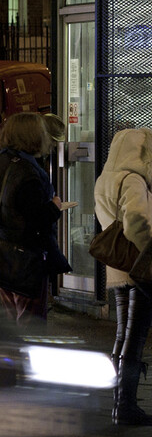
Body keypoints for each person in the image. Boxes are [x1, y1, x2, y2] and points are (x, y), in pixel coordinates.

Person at [94, 127, 152, 426]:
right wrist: (151, 250)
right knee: (135, 337)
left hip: (118, 266)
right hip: (139, 267)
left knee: (123, 334)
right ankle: (126, 405)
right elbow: (136, 220)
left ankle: (118, 402)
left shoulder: (105, 178)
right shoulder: (132, 179)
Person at [0, 113, 67, 326]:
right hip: (25, 261)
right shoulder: (28, 172)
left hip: (3, 255)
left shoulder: (3, 160)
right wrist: (54, 207)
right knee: (30, 325)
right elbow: (35, 221)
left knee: (8, 326)